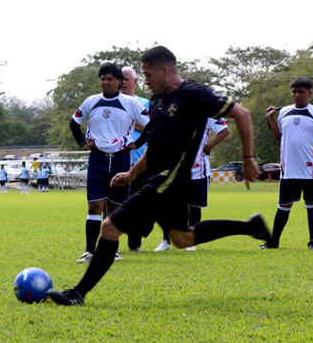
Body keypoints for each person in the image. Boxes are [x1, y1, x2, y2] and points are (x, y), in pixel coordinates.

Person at [47, 45, 270, 306]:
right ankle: (250, 226)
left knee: (109, 227)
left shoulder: (194, 94)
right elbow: (155, 146)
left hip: (172, 179)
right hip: (160, 178)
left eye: (147, 74)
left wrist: (248, 159)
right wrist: (132, 172)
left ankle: (78, 293)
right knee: (181, 238)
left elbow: (241, 114)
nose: (145, 81)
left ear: (164, 70)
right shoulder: (157, 101)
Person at [69, 63, 150, 264]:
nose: (105, 82)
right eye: (103, 79)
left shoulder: (130, 103)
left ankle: (111, 251)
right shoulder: (91, 101)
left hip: (121, 159)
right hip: (97, 159)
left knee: (114, 209)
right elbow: (74, 122)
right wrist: (82, 143)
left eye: (110, 79)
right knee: (95, 206)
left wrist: (136, 143)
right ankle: (89, 251)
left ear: (119, 81)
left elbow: (152, 124)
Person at [263, 77, 313, 251]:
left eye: (301, 92)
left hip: (310, 170)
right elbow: (279, 136)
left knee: (312, 205)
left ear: (309, 93)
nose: (296, 95)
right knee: (283, 206)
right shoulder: (284, 112)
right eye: (294, 92)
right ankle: (274, 241)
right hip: (288, 170)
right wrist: (271, 120)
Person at [155, 116, 230, 252]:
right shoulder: (176, 108)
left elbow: (224, 130)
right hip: (176, 168)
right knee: (170, 206)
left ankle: (191, 240)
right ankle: (166, 240)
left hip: (198, 169)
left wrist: (209, 145)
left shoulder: (208, 111)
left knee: (194, 207)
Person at [121, 66, 151, 252]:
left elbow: (152, 127)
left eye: (126, 78)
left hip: (140, 162)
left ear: (135, 81)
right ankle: (110, 243)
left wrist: (131, 121)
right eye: (120, 79)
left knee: (141, 205)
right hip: (117, 160)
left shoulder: (145, 103)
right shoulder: (110, 102)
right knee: (112, 204)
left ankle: (135, 244)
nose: (123, 82)